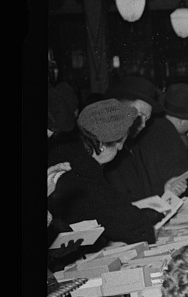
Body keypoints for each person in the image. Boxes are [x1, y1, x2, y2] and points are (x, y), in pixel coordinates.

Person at [48, 98, 164, 245]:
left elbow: (111, 200)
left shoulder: (69, 155)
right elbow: (135, 228)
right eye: (120, 143)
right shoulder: (83, 172)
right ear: (102, 145)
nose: (121, 149)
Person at [105, 79, 188, 200]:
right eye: (139, 116)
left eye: (146, 118)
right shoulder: (168, 135)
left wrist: (166, 191)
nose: (143, 124)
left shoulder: (148, 132)